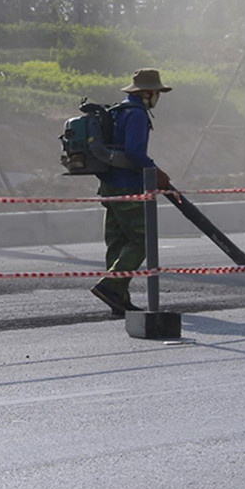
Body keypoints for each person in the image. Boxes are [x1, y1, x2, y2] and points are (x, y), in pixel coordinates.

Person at [91, 68, 174, 317]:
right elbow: (135, 152)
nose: (158, 97)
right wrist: (156, 173)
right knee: (142, 240)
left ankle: (118, 299)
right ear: (147, 93)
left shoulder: (118, 111)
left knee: (117, 242)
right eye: (157, 93)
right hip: (127, 186)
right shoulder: (136, 114)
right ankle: (111, 286)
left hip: (108, 185)